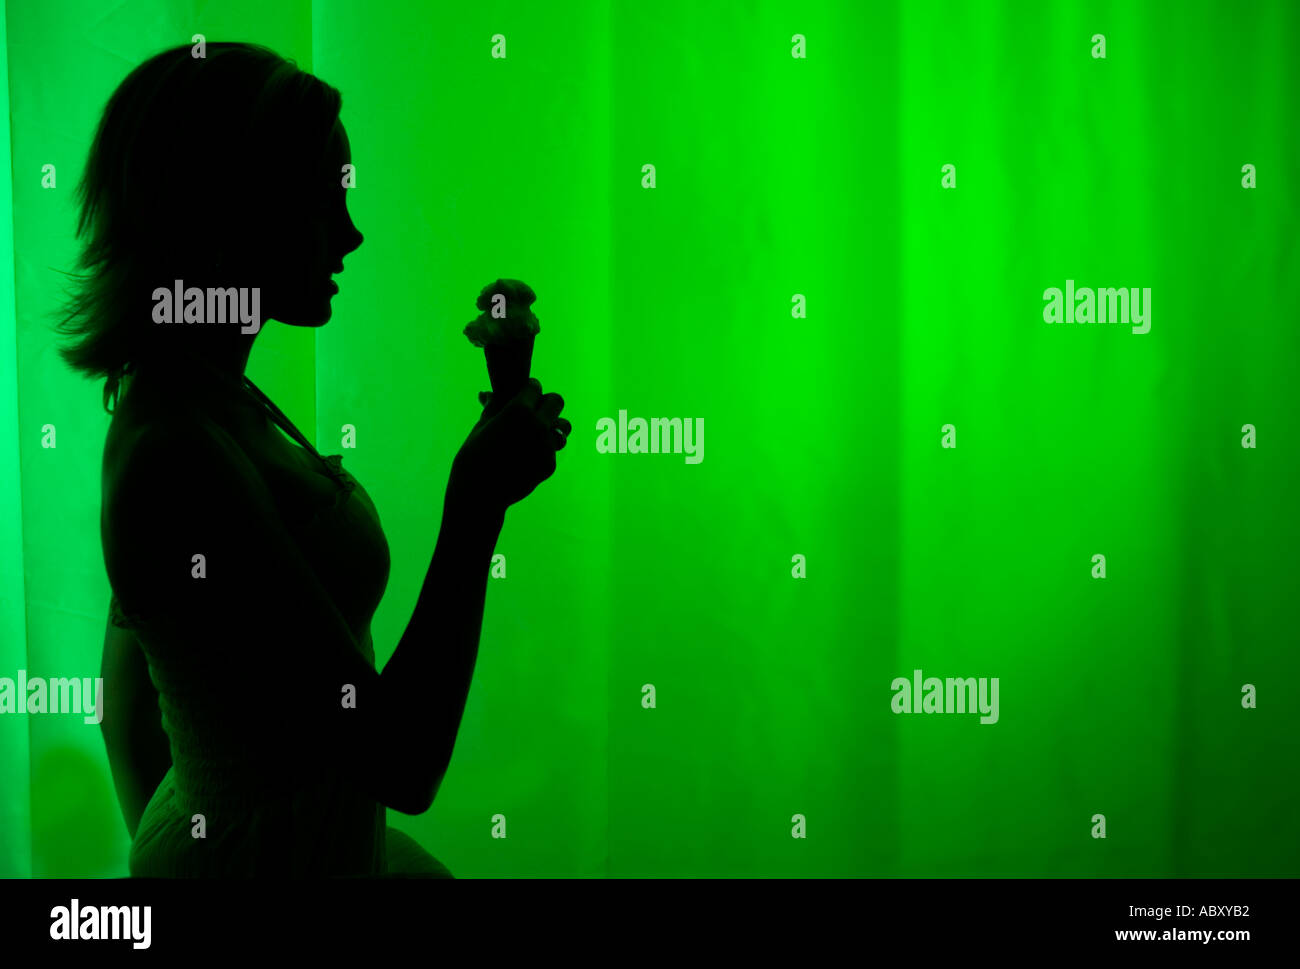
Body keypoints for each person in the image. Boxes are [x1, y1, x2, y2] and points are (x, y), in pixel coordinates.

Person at [56, 41, 570, 876]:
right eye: (322, 200)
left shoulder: (207, 398)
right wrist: (476, 504)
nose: (353, 233)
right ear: (230, 211)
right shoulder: (176, 453)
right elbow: (403, 761)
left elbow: (132, 694)